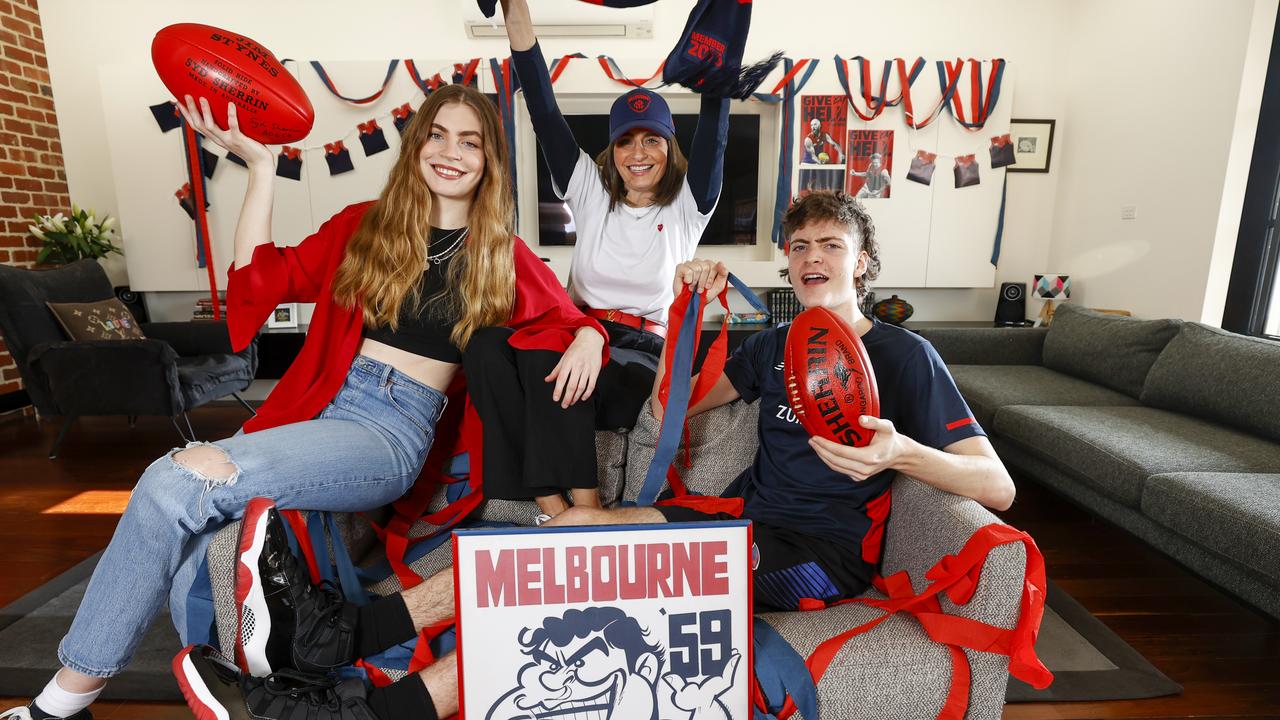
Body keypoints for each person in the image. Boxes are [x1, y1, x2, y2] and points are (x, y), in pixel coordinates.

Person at [170, 190, 1015, 720]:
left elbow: (996, 487)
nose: (811, 260)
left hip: (821, 558)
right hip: (742, 524)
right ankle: (341, 636)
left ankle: (366, 713)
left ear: (863, 262)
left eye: (830, 246)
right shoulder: (780, 343)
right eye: (799, 248)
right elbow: (672, 403)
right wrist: (693, 308)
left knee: (597, 580)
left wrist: (904, 452)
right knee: (559, 537)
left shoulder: (907, 358)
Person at [1, 82, 607, 720]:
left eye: (470, 141)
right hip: (321, 411)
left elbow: (569, 319)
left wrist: (590, 337)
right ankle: (225, 683)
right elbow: (264, 277)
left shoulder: (499, 256)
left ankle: (63, 702)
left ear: (489, 162)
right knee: (186, 524)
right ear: (417, 145)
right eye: (437, 134)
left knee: (171, 481)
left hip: (388, 434)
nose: (450, 152)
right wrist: (261, 169)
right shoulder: (366, 228)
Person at [469, 0, 731, 519]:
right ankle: (554, 506)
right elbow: (542, 107)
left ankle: (583, 507)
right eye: (625, 141)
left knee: (546, 356)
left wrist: (724, 54)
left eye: (651, 139)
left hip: (638, 358)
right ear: (610, 152)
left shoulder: (688, 204)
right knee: (485, 346)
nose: (638, 152)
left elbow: (716, 131)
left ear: (669, 146)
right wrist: (513, 6)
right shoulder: (589, 189)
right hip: (574, 332)